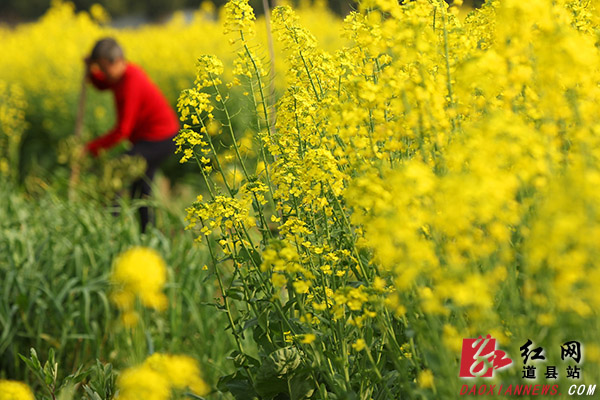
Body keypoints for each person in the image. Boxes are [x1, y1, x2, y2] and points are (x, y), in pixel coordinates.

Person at [84, 37, 179, 232]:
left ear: (117, 61)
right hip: (151, 139)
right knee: (141, 189)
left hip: (160, 139)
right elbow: (103, 84)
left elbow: (122, 131)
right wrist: (91, 72)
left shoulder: (131, 81)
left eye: (103, 68)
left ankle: (111, 229)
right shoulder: (119, 77)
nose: (103, 74)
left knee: (116, 171)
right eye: (99, 68)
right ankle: (147, 234)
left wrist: (91, 148)